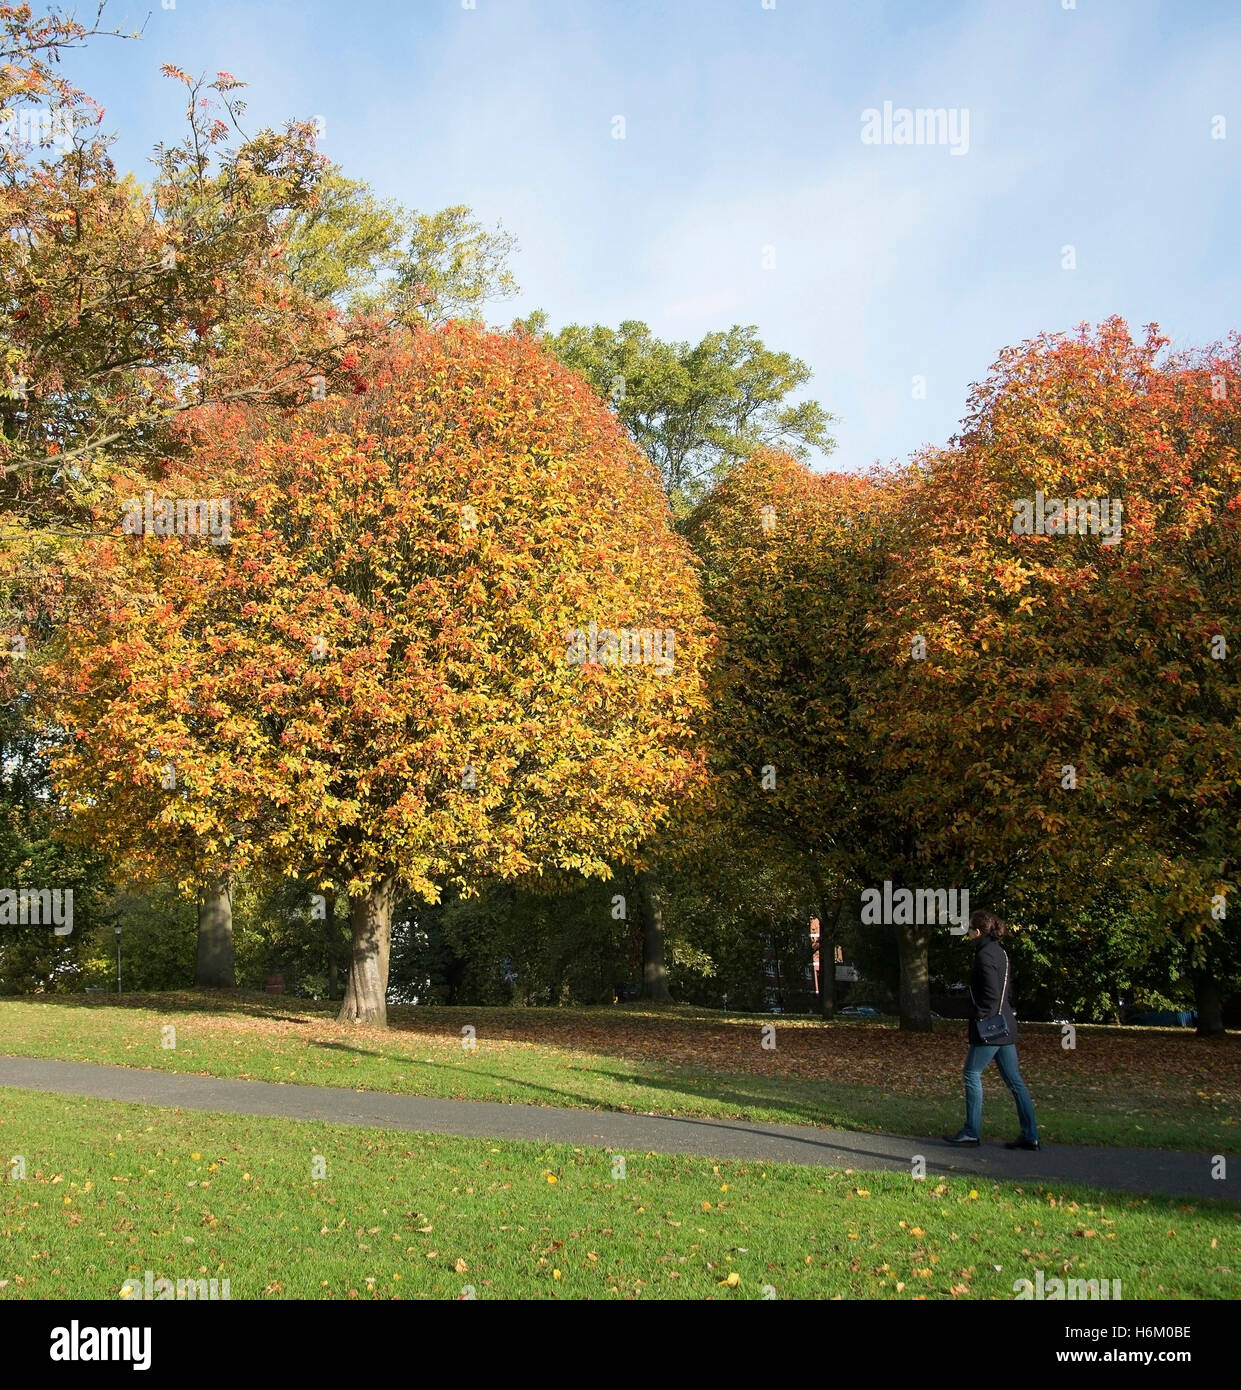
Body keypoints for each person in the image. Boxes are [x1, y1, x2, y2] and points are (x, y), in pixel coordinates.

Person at [943, 909, 1040, 1150]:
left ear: (977, 932)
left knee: (971, 1073)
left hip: (991, 1026)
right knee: (1014, 1080)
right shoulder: (1000, 953)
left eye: (968, 932)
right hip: (1005, 1023)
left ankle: (971, 1131)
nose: (967, 936)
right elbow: (1006, 992)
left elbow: (991, 994)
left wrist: (980, 1017)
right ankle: (1030, 1135)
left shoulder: (984, 955)